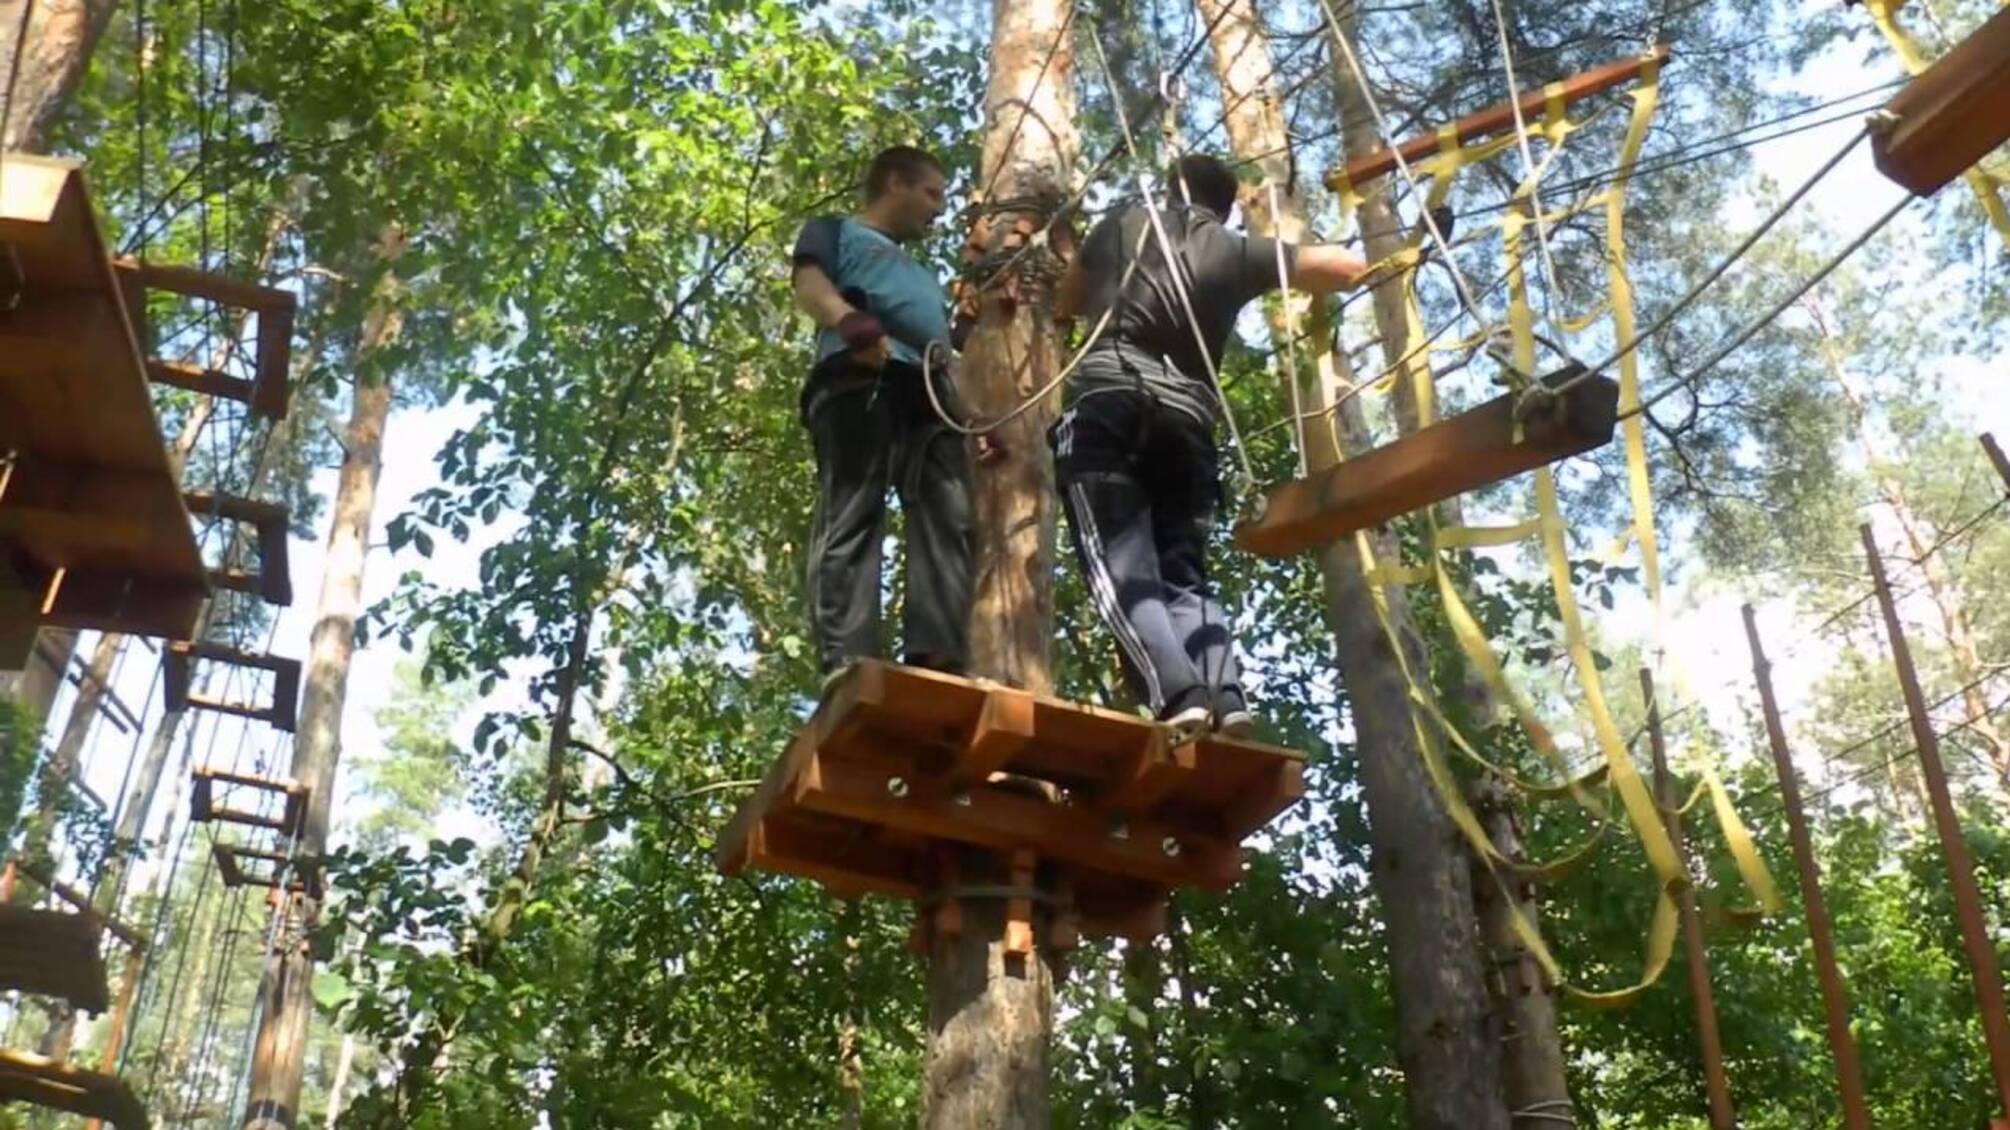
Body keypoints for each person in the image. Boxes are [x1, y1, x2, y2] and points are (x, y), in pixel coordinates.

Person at [1049, 153, 1377, 738]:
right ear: (1222, 208)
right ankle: (1227, 699)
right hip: (1188, 422)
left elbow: (1066, 302)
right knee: (1184, 573)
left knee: (1121, 568)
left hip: (1109, 395)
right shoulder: (1234, 249)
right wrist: (1400, 248)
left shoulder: (1122, 223)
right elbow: (1340, 267)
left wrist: (1078, 264)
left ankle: (1179, 697)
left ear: (1170, 188)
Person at [790, 145, 973, 689]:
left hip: (928, 391)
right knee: (853, 508)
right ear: (896, 182)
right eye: (932, 193)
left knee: (950, 512)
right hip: (859, 376)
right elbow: (809, 283)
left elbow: (944, 347)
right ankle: (848, 656)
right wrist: (848, 320)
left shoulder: (920, 271)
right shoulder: (837, 230)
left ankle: (937, 655)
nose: (938, 208)